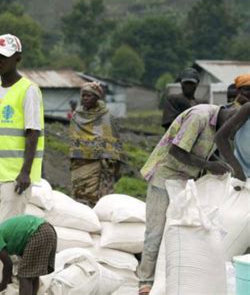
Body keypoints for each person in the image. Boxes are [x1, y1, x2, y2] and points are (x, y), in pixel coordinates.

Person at [137, 104, 237, 294]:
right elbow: (177, 150)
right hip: (164, 177)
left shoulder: (219, 124)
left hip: (184, 180)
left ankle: (168, 281)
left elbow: (202, 150)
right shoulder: (199, 117)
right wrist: (208, 164)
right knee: (156, 231)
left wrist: (217, 162)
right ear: (227, 118)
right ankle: (145, 282)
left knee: (178, 228)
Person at [0, 34, 44, 225]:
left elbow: (33, 132)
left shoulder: (28, 90)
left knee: (7, 232)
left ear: (17, 58)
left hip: (15, 176)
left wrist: (25, 172)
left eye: (2, 57)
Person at [69, 82, 125, 207]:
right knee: (79, 196)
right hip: (79, 163)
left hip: (99, 164)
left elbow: (113, 140)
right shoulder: (76, 116)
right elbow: (73, 139)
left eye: (89, 96)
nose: (85, 98)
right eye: (83, 96)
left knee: (96, 198)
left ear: (97, 97)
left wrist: (112, 162)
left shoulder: (106, 116)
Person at [216, 74, 250, 181]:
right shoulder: (233, 109)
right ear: (239, 92)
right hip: (241, 169)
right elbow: (223, 137)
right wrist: (237, 170)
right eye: (247, 89)